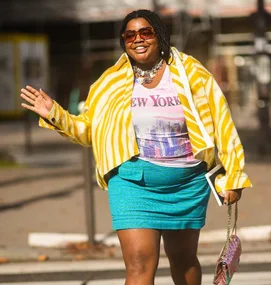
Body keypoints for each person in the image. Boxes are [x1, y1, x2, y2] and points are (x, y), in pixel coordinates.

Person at [20, 9, 252, 285]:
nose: (138, 39)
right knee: (140, 264)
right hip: (132, 183)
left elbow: (222, 122)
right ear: (123, 41)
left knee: (184, 259)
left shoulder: (191, 72)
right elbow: (88, 131)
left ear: (159, 36)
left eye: (146, 32)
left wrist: (234, 176)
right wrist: (54, 114)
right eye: (130, 35)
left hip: (187, 184)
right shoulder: (111, 82)